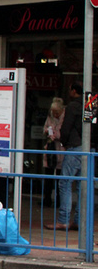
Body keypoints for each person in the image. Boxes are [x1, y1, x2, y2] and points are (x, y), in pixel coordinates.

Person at [46, 82, 83, 231]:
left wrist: (65, 142)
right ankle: (79, 220)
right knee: (82, 185)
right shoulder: (89, 106)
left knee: (65, 183)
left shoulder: (73, 107)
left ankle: (63, 220)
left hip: (74, 147)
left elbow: (66, 128)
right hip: (87, 148)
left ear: (74, 91)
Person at [42, 97, 65, 206]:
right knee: (48, 175)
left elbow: (65, 133)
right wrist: (47, 132)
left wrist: (57, 135)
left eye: (57, 112)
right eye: (53, 112)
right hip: (50, 147)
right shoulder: (50, 116)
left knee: (60, 176)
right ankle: (47, 199)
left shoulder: (65, 117)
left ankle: (59, 200)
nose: (55, 114)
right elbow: (45, 128)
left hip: (60, 149)